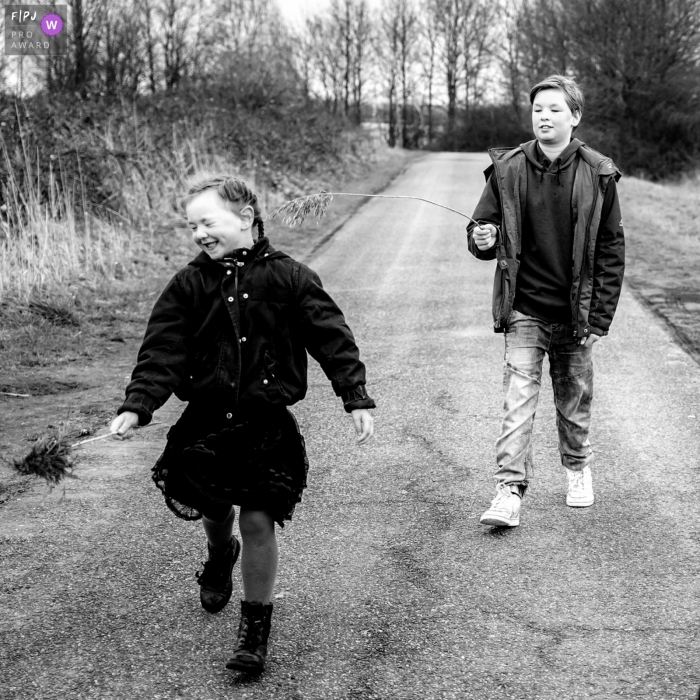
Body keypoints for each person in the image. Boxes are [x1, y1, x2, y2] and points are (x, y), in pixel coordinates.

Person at [109, 176, 375, 672]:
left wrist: (354, 396)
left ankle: (254, 629)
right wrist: (138, 404)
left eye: (207, 222)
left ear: (246, 216)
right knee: (213, 506)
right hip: (207, 422)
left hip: (263, 424)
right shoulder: (189, 284)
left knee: (256, 518)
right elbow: (163, 350)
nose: (198, 234)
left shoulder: (291, 278)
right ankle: (218, 552)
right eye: (192, 226)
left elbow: (333, 338)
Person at [466, 75, 624, 528]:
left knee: (574, 399)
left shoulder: (598, 173)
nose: (544, 117)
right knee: (518, 400)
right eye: (538, 109)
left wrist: (600, 316)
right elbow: (482, 230)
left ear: (575, 117)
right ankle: (508, 491)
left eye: (555, 109)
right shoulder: (508, 167)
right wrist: (481, 237)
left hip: (576, 312)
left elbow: (612, 250)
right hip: (525, 309)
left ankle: (577, 470)